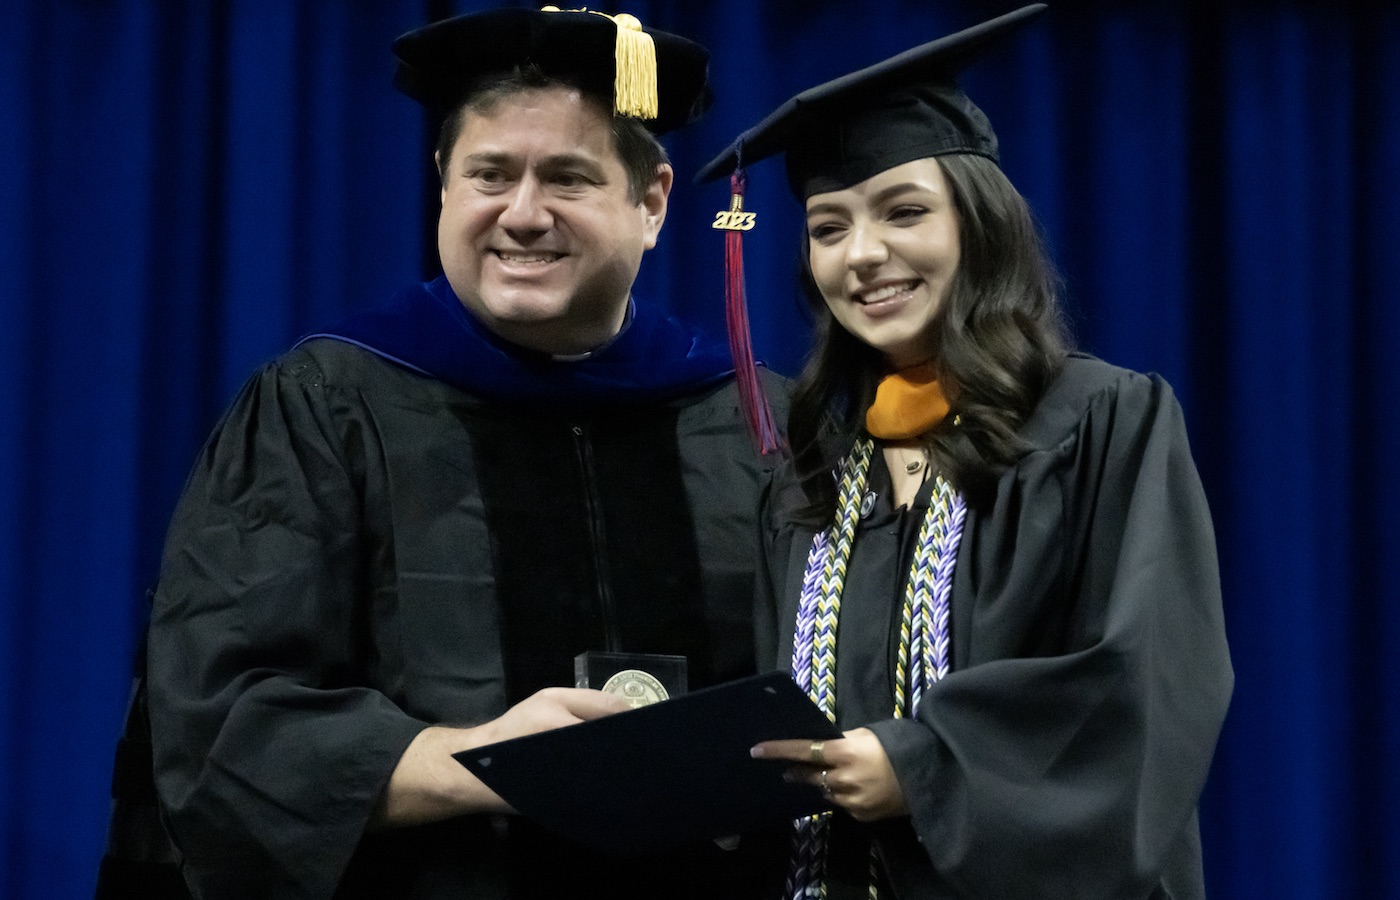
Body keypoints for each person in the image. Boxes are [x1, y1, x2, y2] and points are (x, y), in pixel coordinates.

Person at [100, 7, 788, 899]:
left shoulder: (755, 422)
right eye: (489, 175)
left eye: (569, 178)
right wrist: (479, 762)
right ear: (442, 186)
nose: (524, 214)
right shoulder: (328, 409)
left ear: (651, 200)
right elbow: (219, 722)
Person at [697, 4, 1233, 898]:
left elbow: (1145, 683)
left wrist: (922, 764)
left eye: (903, 212)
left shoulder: (1101, 420)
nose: (862, 256)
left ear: (980, 227)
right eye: (828, 227)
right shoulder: (818, 472)